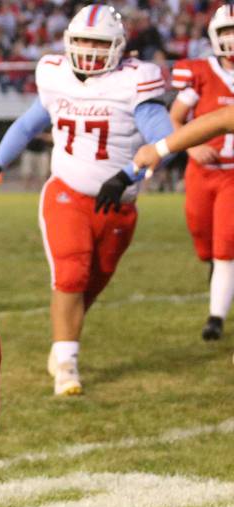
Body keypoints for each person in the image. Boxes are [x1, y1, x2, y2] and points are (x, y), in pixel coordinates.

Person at [0, 4, 174, 396]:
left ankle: (63, 346)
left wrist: (129, 175)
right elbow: (29, 122)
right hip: (66, 190)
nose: (88, 49)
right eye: (82, 40)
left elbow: (165, 140)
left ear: (118, 46)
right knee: (71, 273)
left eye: (97, 42)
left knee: (89, 285)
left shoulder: (134, 81)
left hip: (119, 203)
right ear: (68, 40)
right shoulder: (55, 75)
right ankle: (66, 364)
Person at [169, 5, 234, 341]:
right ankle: (216, 269)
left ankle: (215, 318)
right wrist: (192, 147)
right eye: (226, 32)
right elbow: (175, 117)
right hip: (201, 171)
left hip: (233, 176)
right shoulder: (201, 72)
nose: (232, 39)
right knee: (203, 237)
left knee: (227, 243)